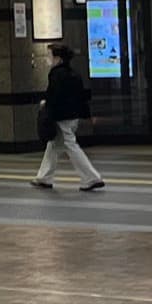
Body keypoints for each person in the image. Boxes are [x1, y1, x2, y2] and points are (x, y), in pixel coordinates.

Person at [33, 41, 106, 192]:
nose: (47, 59)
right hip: (73, 116)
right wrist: (87, 116)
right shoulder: (74, 73)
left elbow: (54, 95)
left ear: (58, 58)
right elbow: (81, 96)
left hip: (61, 117)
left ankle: (92, 177)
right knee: (53, 145)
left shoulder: (56, 74)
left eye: (49, 55)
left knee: (70, 145)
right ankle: (44, 177)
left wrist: (46, 105)